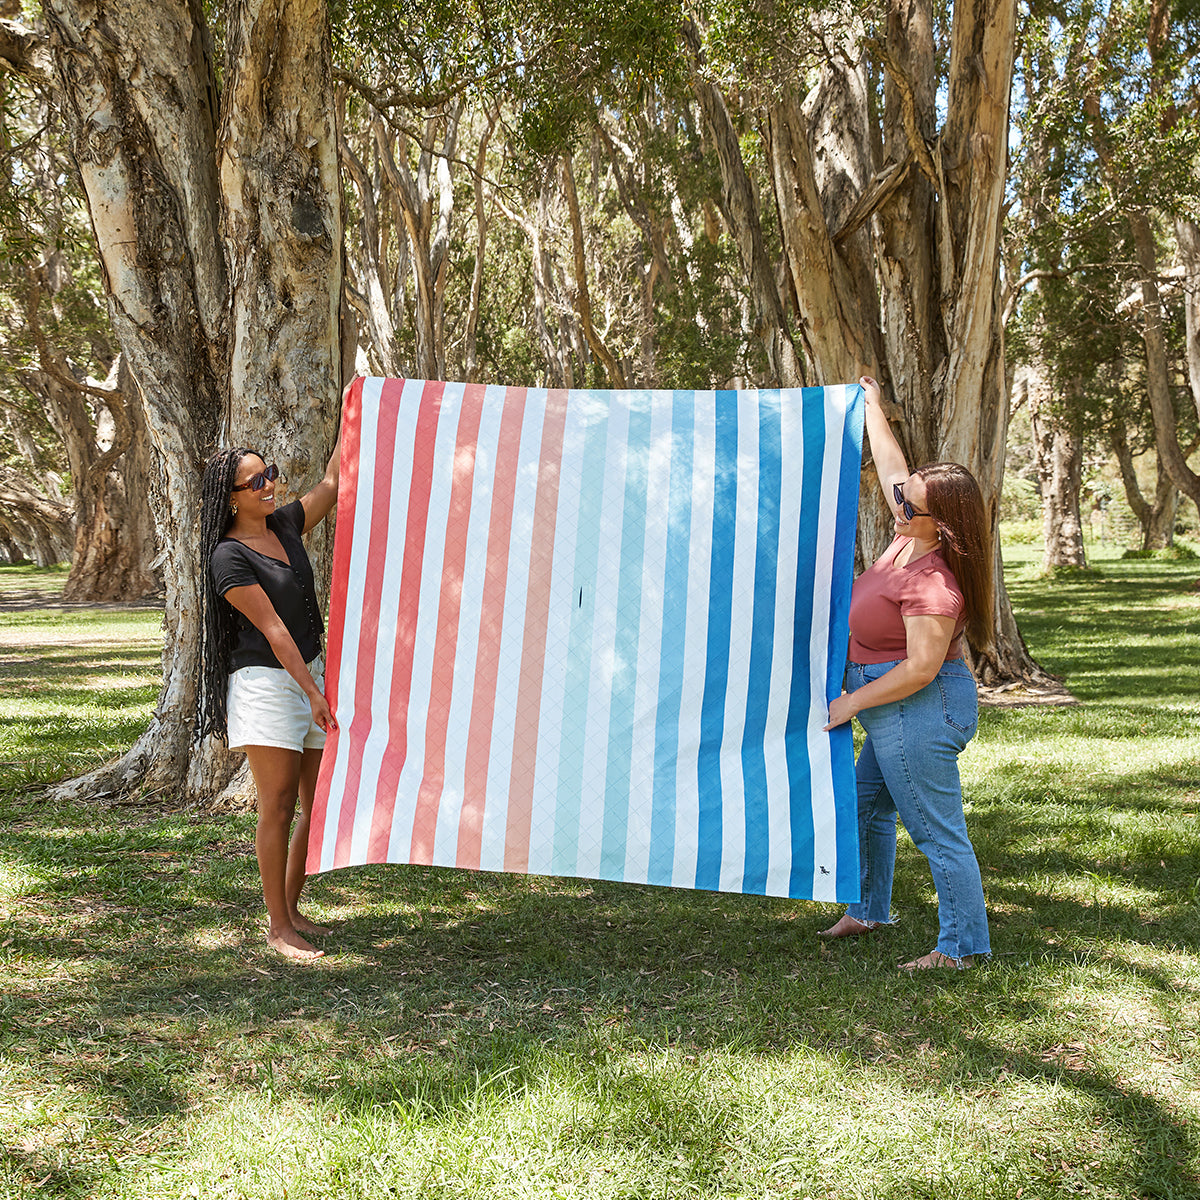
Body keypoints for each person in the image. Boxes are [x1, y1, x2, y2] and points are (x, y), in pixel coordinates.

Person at [821, 374, 993, 971]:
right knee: (868, 805)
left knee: (935, 829)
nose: (898, 503)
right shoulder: (906, 540)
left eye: (910, 504)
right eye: (902, 497)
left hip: (918, 706)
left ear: (940, 523)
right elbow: (895, 469)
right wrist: (873, 408)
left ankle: (961, 946)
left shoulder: (934, 582)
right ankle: (870, 908)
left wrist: (848, 704)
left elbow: (922, 667)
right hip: (889, 704)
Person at [195, 421, 342, 961]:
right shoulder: (227, 557)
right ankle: (277, 927)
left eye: (270, 474)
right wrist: (312, 692)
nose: (269, 485)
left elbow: (331, 483)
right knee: (277, 807)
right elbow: (275, 629)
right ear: (230, 499)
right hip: (268, 686)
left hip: (309, 678)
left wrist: (358, 412)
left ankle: (295, 910)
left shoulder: (283, 526)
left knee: (314, 803)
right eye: (254, 482)